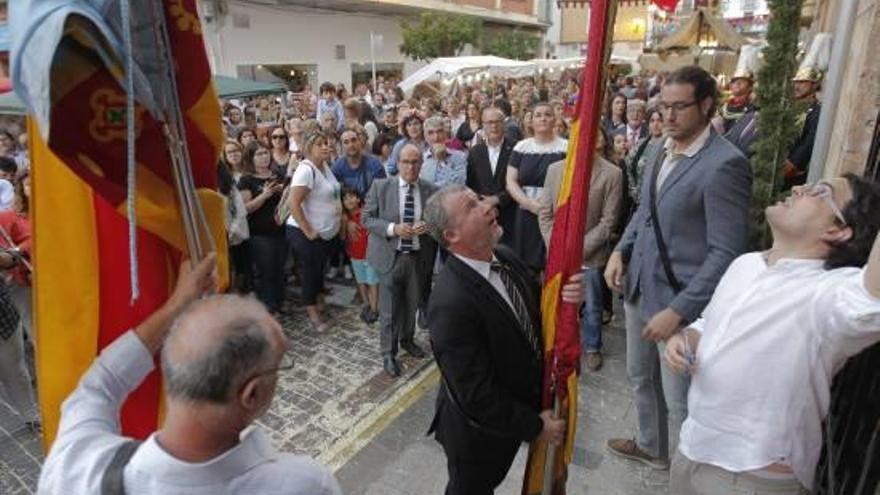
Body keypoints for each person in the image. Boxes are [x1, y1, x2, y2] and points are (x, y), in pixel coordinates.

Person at [37, 255, 343, 494]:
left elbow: (99, 384)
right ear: (252, 394)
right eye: (279, 365)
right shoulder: (305, 486)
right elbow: (100, 385)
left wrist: (175, 306)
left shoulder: (76, 469)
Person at [666, 175, 880, 494]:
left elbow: (872, 301)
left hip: (752, 476)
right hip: (692, 446)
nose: (798, 188)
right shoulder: (746, 264)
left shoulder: (828, 293)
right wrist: (684, 339)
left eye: (820, 192)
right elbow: (709, 324)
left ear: (837, 230)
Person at [604, 65, 753, 470]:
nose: (667, 116)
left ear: (706, 105)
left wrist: (680, 310)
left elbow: (726, 252)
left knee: (680, 399)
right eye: (663, 107)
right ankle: (652, 448)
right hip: (638, 288)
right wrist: (620, 251)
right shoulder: (658, 148)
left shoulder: (725, 164)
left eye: (679, 107)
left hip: (680, 305)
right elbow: (643, 213)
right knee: (639, 377)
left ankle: (685, 473)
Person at [423, 184, 583, 494]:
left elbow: (538, 313)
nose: (487, 206)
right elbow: (476, 394)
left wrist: (568, 299)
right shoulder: (450, 303)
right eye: (471, 208)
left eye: (479, 199)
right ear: (451, 236)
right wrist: (536, 427)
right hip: (478, 437)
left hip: (515, 414)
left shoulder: (506, 256)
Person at [538, 130, 623, 371]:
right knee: (559, 303)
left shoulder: (612, 174)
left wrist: (576, 250)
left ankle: (592, 347)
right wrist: (556, 247)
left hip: (590, 256)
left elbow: (609, 222)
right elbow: (545, 213)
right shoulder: (555, 171)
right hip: (557, 254)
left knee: (593, 305)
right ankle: (558, 346)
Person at [363, 144, 438, 378]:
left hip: (417, 257)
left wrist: (429, 225)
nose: (411, 167)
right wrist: (393, 228)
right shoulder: (381, 186)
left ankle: (407, 340)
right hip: (390, 257)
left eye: (416, 162)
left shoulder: (430, 189)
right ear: (397, 163)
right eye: (406, 162)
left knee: (412, 304)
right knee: (389, 309)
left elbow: (440, 220)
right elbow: (366, 219)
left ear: (421, 164)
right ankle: (388, 352)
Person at [286, 132, 342, 333]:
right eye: (320, 144)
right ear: (309, 148)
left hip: (324, 233)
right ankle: (313, 313)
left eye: (326, 143)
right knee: (310, 272)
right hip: (305, 233)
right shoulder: (305, 170)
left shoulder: (325, 166)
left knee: (319, 270)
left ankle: (318, 301)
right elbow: (294, 203)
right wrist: (308, 230)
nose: (325, 147)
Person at [505, 103, 568, 272]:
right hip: (527, 213)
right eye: (538, 115)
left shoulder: (566, 147)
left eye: (547, 114)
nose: (543, 118)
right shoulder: (521, 147)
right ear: (531, 121)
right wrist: (529, 203)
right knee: (527, 267)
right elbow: (511, 181)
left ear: (555, 120)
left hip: (556, 212)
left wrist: (549, 206)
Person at [238, 143, 287, 314]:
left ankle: (279, 304)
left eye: (266, 152)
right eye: (259, 154)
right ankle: (268, 308)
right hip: (259, 235)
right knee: (265, 271)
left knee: (280, 270)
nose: (264, 156)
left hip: (280, 231)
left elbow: (286, 203)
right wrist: (264, 195)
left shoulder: (277, 175)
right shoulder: (246, 180)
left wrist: (283, 192)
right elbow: (245, 208)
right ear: (251, 158)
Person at [466, 107, 516, 247]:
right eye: (489, 122)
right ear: (483, 125)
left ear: (504, 124)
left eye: (497, 122)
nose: (493, 126)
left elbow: (520, 182)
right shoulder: (475, 152)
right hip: (483, 216)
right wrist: (483, 202)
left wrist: (497, 199)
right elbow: (470, 183)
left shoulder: (516, 148)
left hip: (510, 215)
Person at [341, 187, 380, 325]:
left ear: (358, 198)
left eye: (351, 196)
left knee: (373, 282)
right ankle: (366, 304)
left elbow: (377, 228)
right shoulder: (345, 218)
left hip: (370, 255)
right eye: (345, 198)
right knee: (361, 281)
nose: (349, 200)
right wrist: (345, 223)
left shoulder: (367, 212)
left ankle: (374, 309)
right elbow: (342, 236)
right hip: (355, 255)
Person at [784, 67, 823, 189]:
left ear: (814, 85)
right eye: (796, 82)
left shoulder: (816, 111)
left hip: (794, 173)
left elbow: (810, 141)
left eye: (802, 82)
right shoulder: (789, 107)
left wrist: (794, 162)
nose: (797, 86)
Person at [331, 127, 387, 198]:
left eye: (353, 140)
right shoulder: (337, 168)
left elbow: (382, 193)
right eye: (346, 142)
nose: (351, 145)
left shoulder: (375, 165)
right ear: (341, 147)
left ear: (360, 142)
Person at [626, 108, 665, 207]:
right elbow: (628, 165)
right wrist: (634, 190)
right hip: (638, 199)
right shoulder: (641, 143)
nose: (656, 124)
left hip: (659, 200)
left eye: (660, 121)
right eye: (652, 121)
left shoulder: (669, 145)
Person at [421, 116, 467, 188]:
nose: (436, 137)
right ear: (425, 136)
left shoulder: (460, 156)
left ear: (445, 134)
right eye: (431, 133)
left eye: (439, 132)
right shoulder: (421, 159)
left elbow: (459, 184)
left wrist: (443, 161)